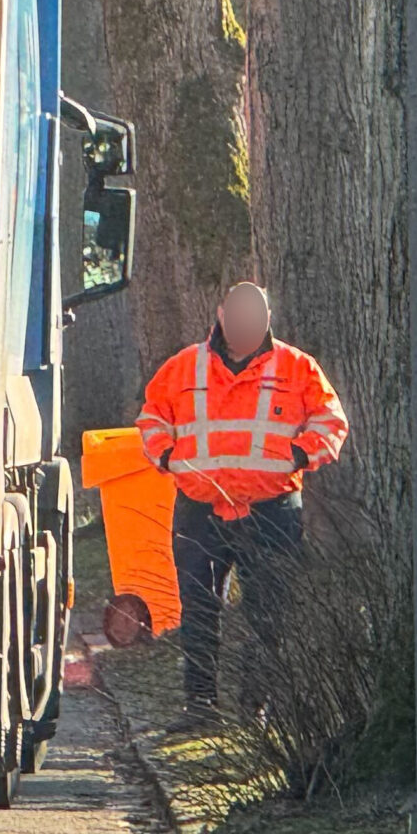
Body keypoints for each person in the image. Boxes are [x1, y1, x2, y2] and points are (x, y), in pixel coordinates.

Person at [136, 279, 349, 714]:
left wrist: (297, 454)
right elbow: (152, 416)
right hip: (199, 510)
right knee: (197, 610)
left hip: (271, 511)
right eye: (237, 314)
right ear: (221, 315)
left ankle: (258, 706)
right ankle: (200, 704)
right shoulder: (183, 367)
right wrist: (166, 456)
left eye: (255, 316)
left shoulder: (297, 367)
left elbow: (331, 423)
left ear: (267, 320)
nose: (245, 323)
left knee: (268, 612)